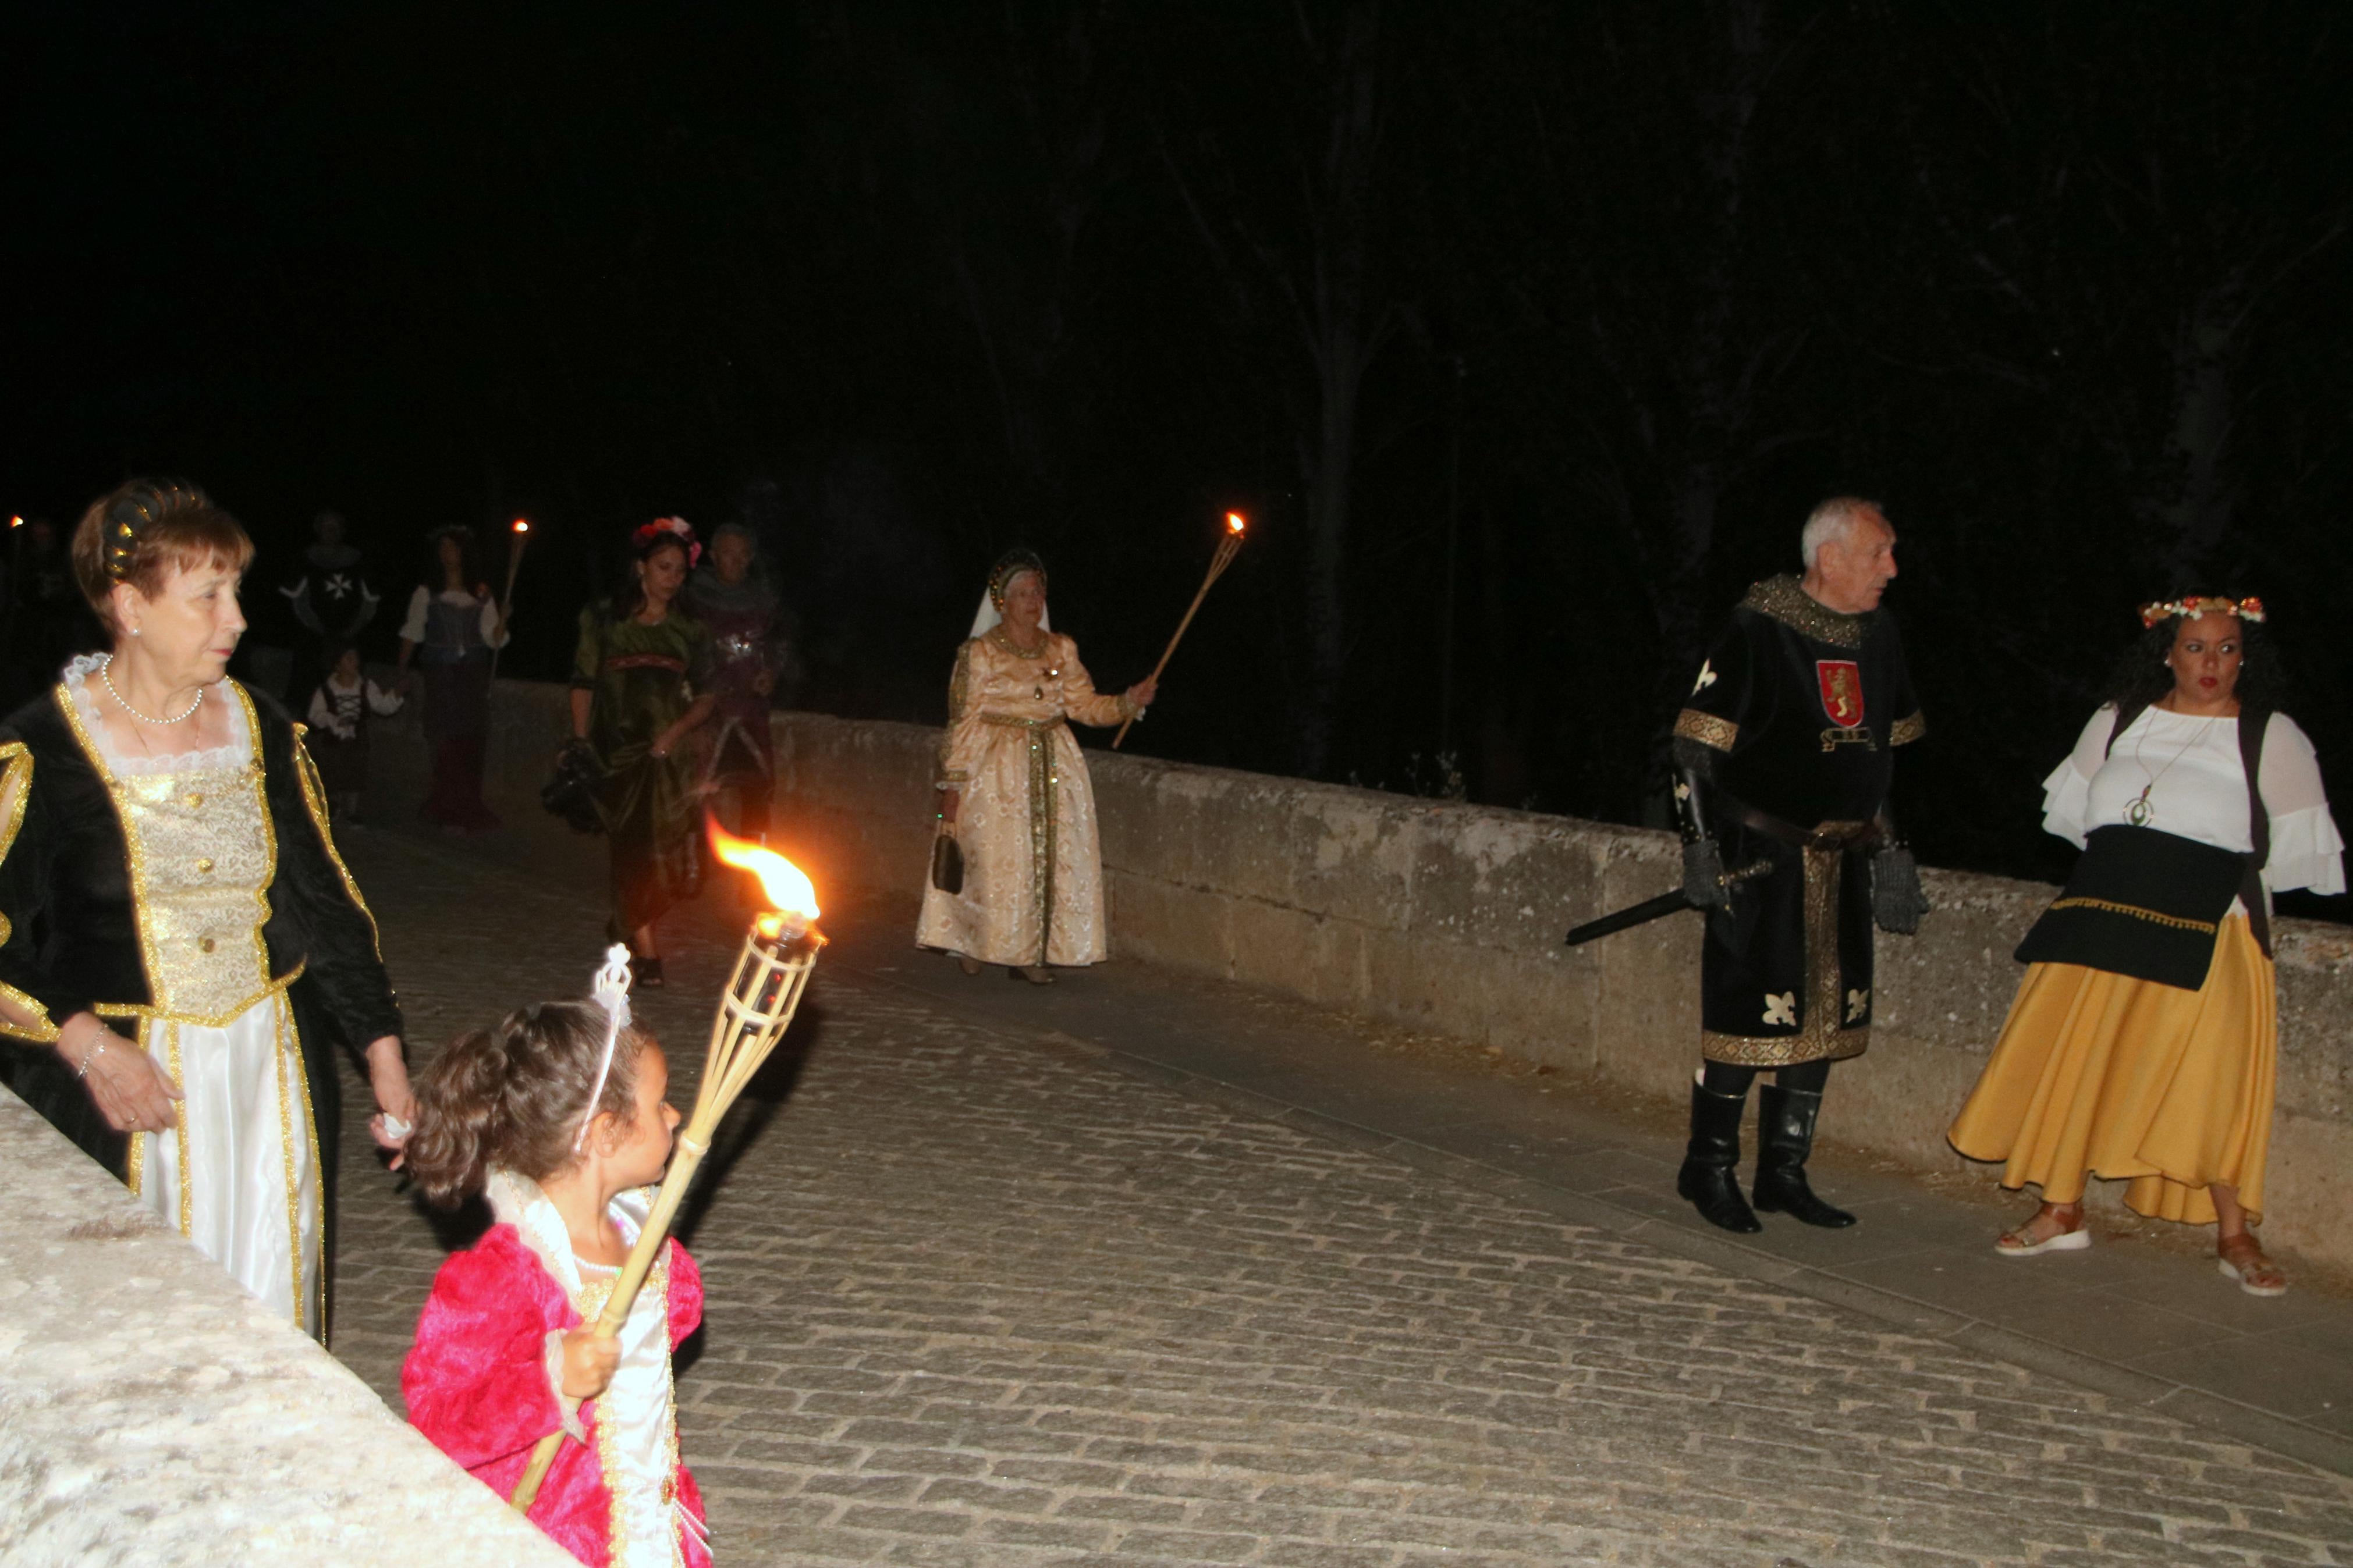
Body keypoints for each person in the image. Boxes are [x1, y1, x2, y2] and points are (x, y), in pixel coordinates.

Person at [0, 479, 412, 1339]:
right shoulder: (43, 748)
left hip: (273, 1072)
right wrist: (85, 1044)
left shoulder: (260, 727)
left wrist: (381, 1050)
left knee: (275, 1292)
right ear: (130, 605)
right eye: (208, 596)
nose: (236, 619)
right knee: (132, 1320)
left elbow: (323, 900)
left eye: (236, 591)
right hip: (125, 1081)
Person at [1948, 597, 2341, 1295]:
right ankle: (2060, 1208)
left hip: (2210, 931)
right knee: (2081, 1063)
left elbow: (2290, 854)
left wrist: (2192, 881)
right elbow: (2074, 820)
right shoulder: (2117, 718)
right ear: (2166, 652)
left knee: (2209, 1078)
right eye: (2194, 648)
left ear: (2244, 655)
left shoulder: (2268, 735)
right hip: (2106, 919)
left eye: (2225, 648)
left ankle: (2234, 1233)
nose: (2210, 663)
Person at [1667, 497, 1929, 1232]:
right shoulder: (1757, 628)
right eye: (1878, 553)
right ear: (1830, 556)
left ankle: (1782, 1172)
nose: (1890, 569)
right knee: (1748, 1018)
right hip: (1761, 860)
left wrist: (1893, 848)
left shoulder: (1878, 638)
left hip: (1840, 859)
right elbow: (1693, 748)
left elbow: (1879, 757)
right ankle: (1706, 1166)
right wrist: (1698, 847)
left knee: (1818, 1024)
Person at [401, 979, 709, 1566]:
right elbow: (436, 1422)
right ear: (604, 1133)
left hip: (651, 1524)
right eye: (659, 1102)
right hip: (559, 1538)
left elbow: (675, 1321)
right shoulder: (504, 1273)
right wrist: (548, 1377)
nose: (675, 1115)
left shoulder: (639, 1235)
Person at [917, 549, 1156, 983]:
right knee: (990, 861)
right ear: (1002, 602)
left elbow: (1084, 706)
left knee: (1043, 862)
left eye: (1038, 592)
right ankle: (973, 940)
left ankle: (1029, 954)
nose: (1034, 600)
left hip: (1054, 766)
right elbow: (963, 721)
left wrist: (1127, 702)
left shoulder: (1061, 649)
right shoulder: (979, 653)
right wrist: (953, 784)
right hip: (995, 769)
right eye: (1024, 593)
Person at [569, 518, 715, 987]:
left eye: (679, 570)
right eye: (663, 567)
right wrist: (579, 742)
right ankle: (648, 952)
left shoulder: (689, 630)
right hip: (619, 753)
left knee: (668, 855)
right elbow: (583, 683)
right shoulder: (605, 622)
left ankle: (629, 927)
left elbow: (708, 695)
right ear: (640, 568)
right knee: (633, 851)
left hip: (668, 757)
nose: (672, 578)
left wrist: (675, 732)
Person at [682, 520, 796, 842]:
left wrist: (772, 671)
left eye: (743, 555)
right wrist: (692, 719)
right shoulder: (691, 602)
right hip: (708, 710)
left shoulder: (765, 602)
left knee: (756, 790)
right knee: (697, 792)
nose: (737, 562)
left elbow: (780, 644)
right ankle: (692, 864)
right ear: (714, 556)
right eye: (729, 555)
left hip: (751, 711)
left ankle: (754, 874)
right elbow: (681, 658)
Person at [396, 525, 509, 832]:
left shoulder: (482, 594)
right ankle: (445, 806)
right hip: (441, 675)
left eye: (453, 548)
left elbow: (492, 638)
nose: (447, 554)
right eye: (443, 548)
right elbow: (412, 632)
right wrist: (402, 670)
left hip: (472, 675)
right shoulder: (427, 593)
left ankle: (468, 805)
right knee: (444, 739)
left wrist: (502, 625)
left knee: (471, 740)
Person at [279, 507, 382, 698]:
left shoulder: (359, 561)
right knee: (308, 689)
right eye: (327, 527)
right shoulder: (305, 561)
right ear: (318, 530)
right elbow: (298, 602)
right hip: (313, 640)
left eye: (335, 527)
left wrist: (352, 630)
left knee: (347, 691)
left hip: (350, 638)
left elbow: (370, 602)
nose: (331, 531)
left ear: (342, 531)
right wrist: (318, 629)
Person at [305, 640, 405, 823]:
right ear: (338, 664)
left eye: (356, 658)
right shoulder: (326, 690)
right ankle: (333, 809)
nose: (355, 662)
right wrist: (333, 720)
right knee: (333, 772)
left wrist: (396, 695)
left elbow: (382, 706)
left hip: (357, 738)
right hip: (333, 740)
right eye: (349, 658)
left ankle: (351, 813)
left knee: (356, 773)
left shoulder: (366, 686)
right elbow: (315, 715)